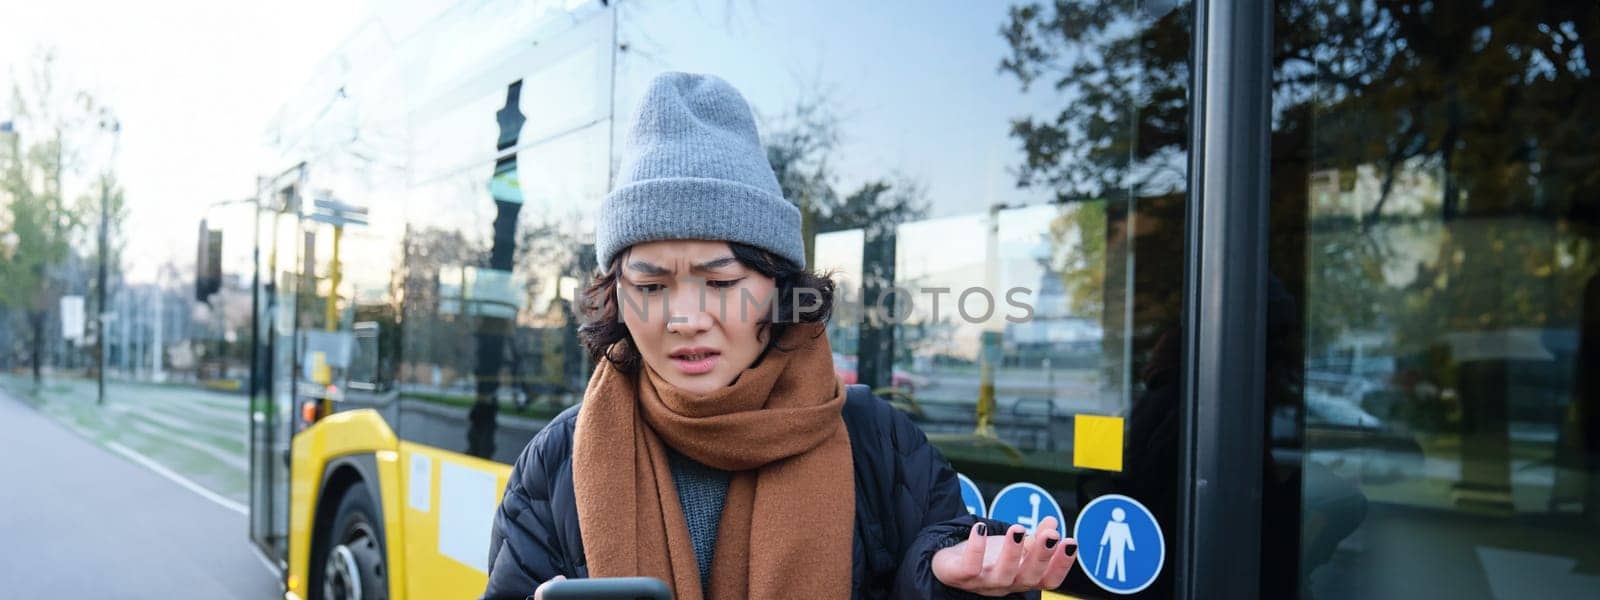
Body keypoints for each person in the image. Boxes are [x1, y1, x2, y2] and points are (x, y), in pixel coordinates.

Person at [481, 72, 1077, 599]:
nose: (686, 319)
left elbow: (947, 561)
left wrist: (947, 586)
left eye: (721, 283)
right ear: (618, 295)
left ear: (779, 286)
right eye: (652, 286)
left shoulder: (880, 444)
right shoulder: (556, 463)